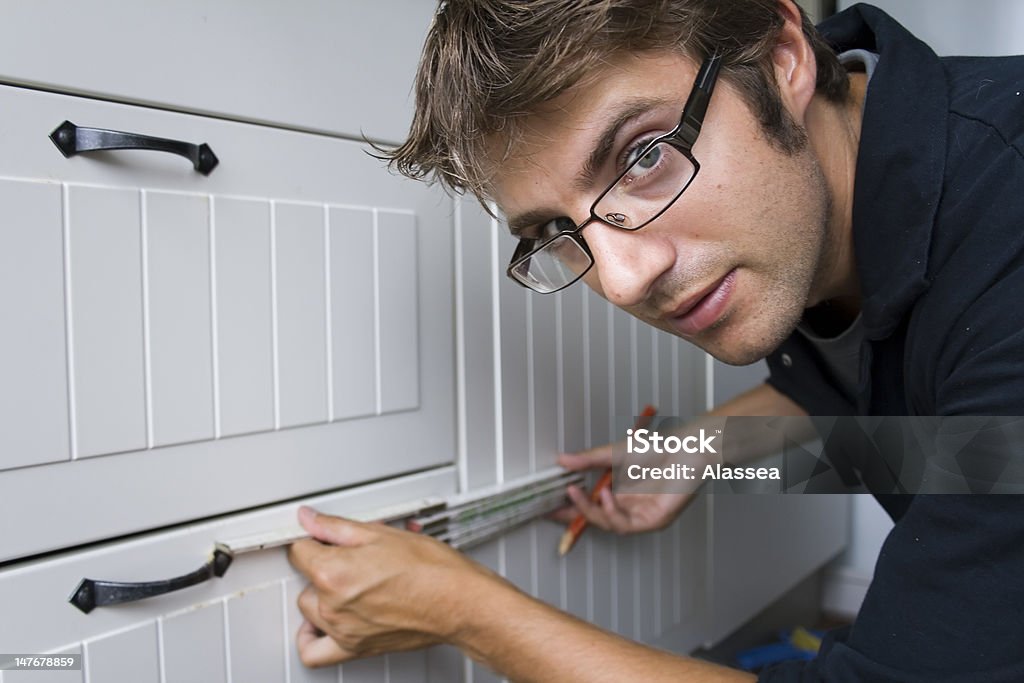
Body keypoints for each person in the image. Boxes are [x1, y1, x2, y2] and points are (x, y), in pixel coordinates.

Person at [288, 1, 1024, 680]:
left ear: (781, 55)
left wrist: (465, 611)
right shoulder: (816, 205)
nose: (624, 278)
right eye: (555, 233)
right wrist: (691, 452)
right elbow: (944, 438)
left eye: (643, 156)